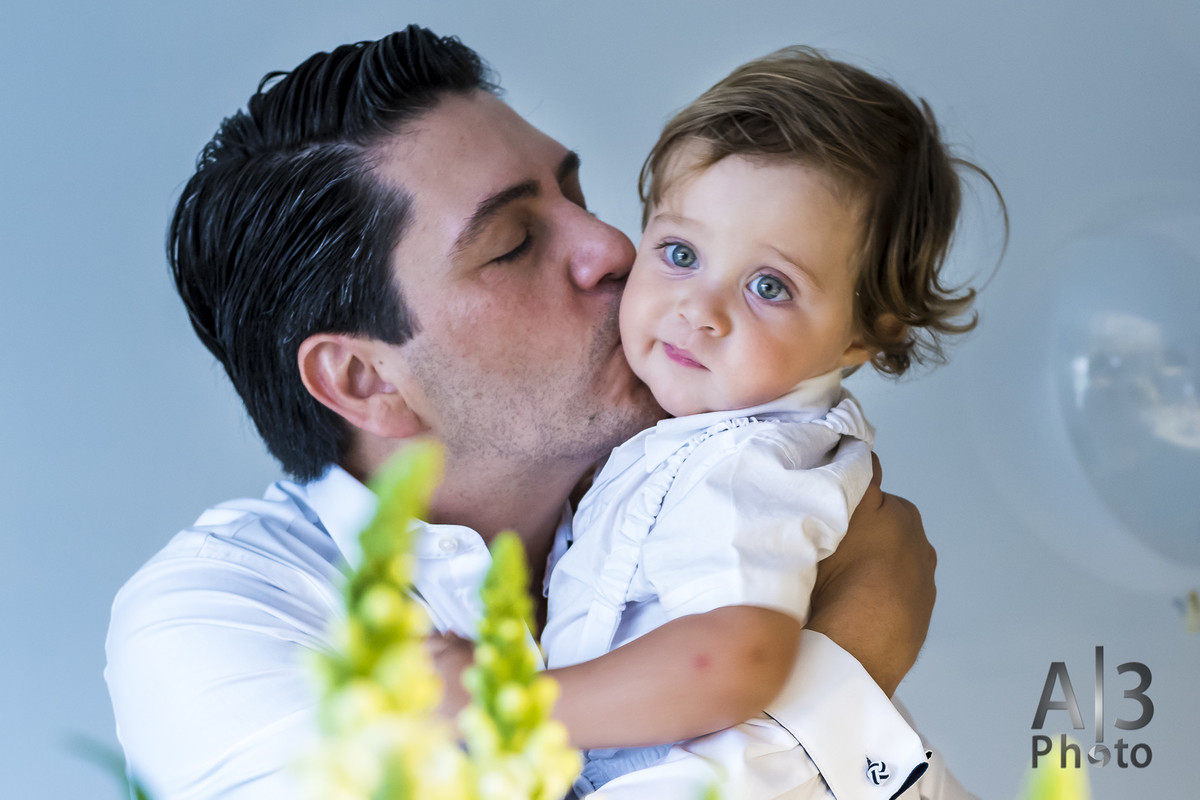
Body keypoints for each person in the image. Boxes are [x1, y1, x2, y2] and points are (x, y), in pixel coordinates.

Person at [105, 26, 948, 800]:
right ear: (364, 379)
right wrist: (845, 661)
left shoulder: (751, 477)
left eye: (575, 193)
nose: (614, 248)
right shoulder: (220, 621)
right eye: (512, 243)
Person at [534, 47, 1002, 798]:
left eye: (768, 285)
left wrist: (514, 710)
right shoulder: (684, 446)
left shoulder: (748, 462)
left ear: (860, 337)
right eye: (680, 251)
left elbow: (732, 660)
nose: (701, 309)